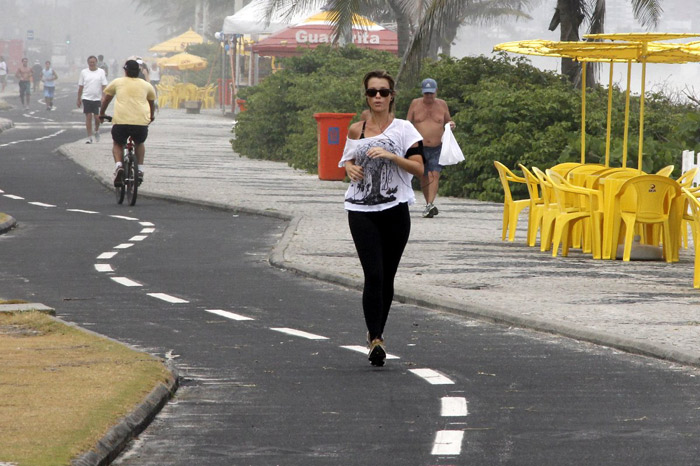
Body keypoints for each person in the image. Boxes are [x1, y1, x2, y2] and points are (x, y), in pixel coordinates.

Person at [339, 70, 424, 367]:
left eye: (383, 92)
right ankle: (375, 338)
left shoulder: (404, 130)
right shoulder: (356, 130)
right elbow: (347, 160)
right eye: (372, 92)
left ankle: (378, 332)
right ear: (366, 95)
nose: (377, 97)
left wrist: (390, 157)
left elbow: (419, 169)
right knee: (373, 274)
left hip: (395, 209)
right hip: (361, 209)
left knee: (387, 276)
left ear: (391, 97)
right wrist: (349, 168)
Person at [99, 59, 155, 188]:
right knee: (139, 143)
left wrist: (101, 113)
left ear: (125, 70)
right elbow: (151, 102)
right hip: (141, 122)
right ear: (139, 71)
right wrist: (151, 116)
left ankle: (119, 166)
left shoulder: (117, 82)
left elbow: (106, 99)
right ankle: (140, 170)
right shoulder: (146, 85)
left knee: (118, 143)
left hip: (121, 122)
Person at [406, 78, 456, 218]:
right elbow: (407, 123)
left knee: (434, 174)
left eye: (431, 94)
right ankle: (428, 203)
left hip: (437, 146)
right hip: (419, 146)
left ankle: (430, 204)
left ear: (436, 92)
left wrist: (451, 124)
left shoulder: (442, 104)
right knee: (424, 175)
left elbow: (448, 120)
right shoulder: (415, 103)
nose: (429, 97)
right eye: (426, 93)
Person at [77, 56, 108, 144]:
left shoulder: (101, 72)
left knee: (97, 117)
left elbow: (104, 85)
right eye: (90, 62)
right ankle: (89, 136)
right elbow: (81, 86)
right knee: (88, 117)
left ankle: (97, 130)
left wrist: (103, 96)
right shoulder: (84, 72)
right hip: (86, 97)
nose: (92, 64)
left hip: (97, 98)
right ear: (88, 63)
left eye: (93, 62)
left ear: (96, 62)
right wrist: (78, 98)